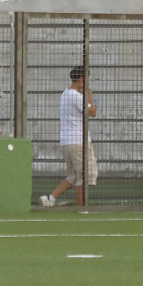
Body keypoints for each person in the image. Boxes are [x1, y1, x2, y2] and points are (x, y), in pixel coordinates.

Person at [39, 66, 98, 207]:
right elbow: (93, 112)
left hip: (67, 142)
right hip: (78, 141)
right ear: (81, 79)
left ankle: (50, 199)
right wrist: (89, 95)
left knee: (73, 176)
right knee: (83, 176)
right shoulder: (76, 96)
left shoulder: (65, 94)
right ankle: (81, 207)